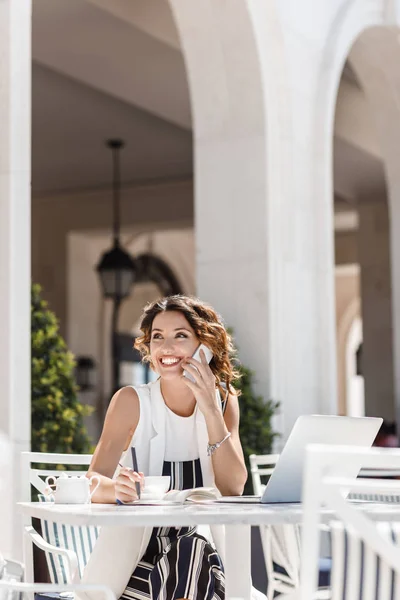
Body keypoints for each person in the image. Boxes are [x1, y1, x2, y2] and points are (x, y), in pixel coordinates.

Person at [86, 295, 248, 600]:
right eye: (158, 337)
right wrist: (117, 491)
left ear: (206, 346)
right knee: (192, 555)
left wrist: (211, 411)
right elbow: (91, 482)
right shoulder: (131, 402)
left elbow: (233, 487)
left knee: (193, 550)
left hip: (205, 555)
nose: (166, 348)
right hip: (135, 563)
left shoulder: (225, 401)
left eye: (181, 336)